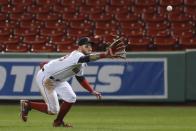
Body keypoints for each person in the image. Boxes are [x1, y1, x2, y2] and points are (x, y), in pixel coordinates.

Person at [20, 37, 125, 128]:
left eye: (91, 46)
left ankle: (58, 122)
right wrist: (105, 54)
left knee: (71, 97)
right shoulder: (77, 55)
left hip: (59, 79)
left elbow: (80, 78)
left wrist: (91, 90)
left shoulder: (81, 62)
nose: (90, 47)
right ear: (79, 47)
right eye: (86, 45)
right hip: (46, 79)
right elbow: (87, 58)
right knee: (53, 110)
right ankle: (28, 105)